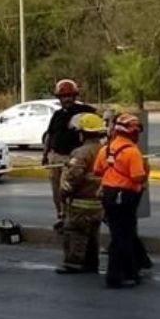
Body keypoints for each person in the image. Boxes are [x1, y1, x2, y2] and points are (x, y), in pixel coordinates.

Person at [94, 113, 151, 289]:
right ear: (132, 133)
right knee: (122, 237)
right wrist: (146, 170)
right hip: (125, 197)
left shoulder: (106, 149)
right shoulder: (133, 152)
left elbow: (97, 170)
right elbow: (138, 177)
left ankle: (133, 268)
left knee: (120, 234)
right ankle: (118, 276)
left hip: (109, 196)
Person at [42, 79, 96, 230]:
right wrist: (45, 155)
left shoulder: (85, 111)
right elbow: (49, 135)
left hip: (72, 159)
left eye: (70, 96)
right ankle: (61, 216)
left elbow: (98, 126)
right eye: (63, 96)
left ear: (75, 96)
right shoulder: (57, 115)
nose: (66, 99)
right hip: (55, 158)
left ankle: (72, 219)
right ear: (58, 98)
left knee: (69, 189)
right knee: (57, 192)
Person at [55, 113, 106, 275]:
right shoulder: (104, 150)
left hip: (80, 203)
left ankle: (73, 263)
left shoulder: (81, 153)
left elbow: (74, 176)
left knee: (75, 232)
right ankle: (92, 263)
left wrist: (63, 192)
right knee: (93, 235)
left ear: (82, 133)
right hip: (98, 203)